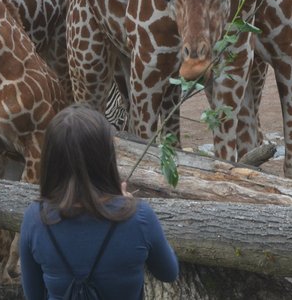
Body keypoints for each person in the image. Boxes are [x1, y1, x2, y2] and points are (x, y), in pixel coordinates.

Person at [19, 103, 179, 299]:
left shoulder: (35, 218)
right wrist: (126, 204)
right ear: (106, 156)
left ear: (50, 159)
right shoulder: (139, 217)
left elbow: (33, 295)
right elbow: (169, 272)